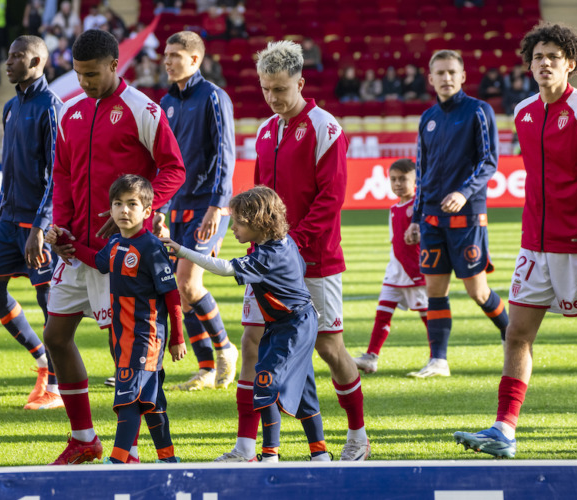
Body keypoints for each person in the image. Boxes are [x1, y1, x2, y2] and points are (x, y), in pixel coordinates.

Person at [216, 40, 370, 463]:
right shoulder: (266, 131)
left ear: (300, 82)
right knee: (251, 342)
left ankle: (357, 437)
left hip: (316, 260)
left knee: (329, 349)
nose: (273, 98)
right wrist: (250, 233)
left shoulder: (326, 128)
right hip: (270, 263)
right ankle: (246, 446)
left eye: (280, 89)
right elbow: (259, 198)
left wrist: (292, 248)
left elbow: (330, 198)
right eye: (266, 89)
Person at [42, 29, 184, 465]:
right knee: (55, 336)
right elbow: (63, 175)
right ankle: (84, 438)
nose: (84, 82)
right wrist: (61, 226)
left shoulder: (143, 109)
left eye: (92, 74)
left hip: (122, 253)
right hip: (77, 250)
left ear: (113, 65)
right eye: (78, 74)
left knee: (122, 348)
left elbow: (173, 169)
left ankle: (134, 448)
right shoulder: (70, 113)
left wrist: (143, 210)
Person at [454, 23, 577, 459]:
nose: (545, 63)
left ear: (570, 63)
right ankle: (504, 429)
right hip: (535, 245)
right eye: (538, 57)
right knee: (517, 334)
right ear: (529, 66)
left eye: (554, 56)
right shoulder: (523, 111)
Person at [164, 186, 330, 462]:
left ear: (260, 223)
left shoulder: (267, 256)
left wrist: (183, 251)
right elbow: (299, 267)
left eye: (238, 223)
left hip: (293, 325)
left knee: (264, 382)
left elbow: (226, 268)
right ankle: (320, 453)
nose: (233, 229)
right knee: (304, 389)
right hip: (292, 322)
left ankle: (269, 456)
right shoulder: (283, 243)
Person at [50, 175, 185, 464]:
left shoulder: (151, 248)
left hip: (145, 338)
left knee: (128, 399)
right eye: (118, 204)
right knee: (153, 402)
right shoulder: (113, 243)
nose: (124, 210)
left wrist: (177, 338)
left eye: (132, 204)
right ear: (110, 209)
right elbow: (97, 261)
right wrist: (63, 240)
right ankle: (168, 459)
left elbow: (172, 296)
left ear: (147, 212)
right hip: (121, 335)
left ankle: (119, 460)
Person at [404, 50, 509, 378]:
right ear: (431, 78)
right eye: (440, 73)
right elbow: (422, 172)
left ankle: (513, 336)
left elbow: (488, 161)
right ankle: (439, 361)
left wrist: (463, 193)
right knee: (434, 290)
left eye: (452, 72)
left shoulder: (479, 111)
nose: (446, 78)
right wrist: (415, 218)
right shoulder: (427, 118)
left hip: (467, 216)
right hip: (432, 218)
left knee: (477, 292)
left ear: (463, 76)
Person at [0, 35, 62, 411]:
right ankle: (43, 359)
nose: (8, 62)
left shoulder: (51, 107)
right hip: (8, 220)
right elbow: (10, 165)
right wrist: (0, 212)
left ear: (37, 62)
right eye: (8, 55)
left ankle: (57, 389)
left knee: (49, 303)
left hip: (36, 224)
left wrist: (41, 226)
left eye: (17, 57)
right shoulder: (11, 107)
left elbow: (57, 175)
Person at [159, 31, 238, 392]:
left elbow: (225, 154)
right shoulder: (165, 101)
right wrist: (159, 205)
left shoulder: (214, 97)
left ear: (195, 60)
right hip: (177, 206)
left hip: (208, 205)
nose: (167, 60)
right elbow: (164, 162)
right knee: (183, 289)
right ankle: (206, 367)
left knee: (187, 283)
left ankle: (224, 350)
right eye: (166, 54)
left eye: (176, 55)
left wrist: (218, 207)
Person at [353, 159, 428, 373]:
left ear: (415, 181)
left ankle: (437, 357)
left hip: (415, 271)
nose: (397, 183)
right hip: (395, 271)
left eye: (403, 179)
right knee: (382, 313)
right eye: (393, 179)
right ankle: (371, 357)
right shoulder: (394, 208)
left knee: (428, 316)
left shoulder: (418, 207)